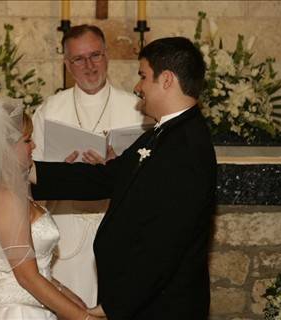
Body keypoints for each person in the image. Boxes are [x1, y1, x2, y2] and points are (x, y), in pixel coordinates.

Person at [31, 37, 217, 319]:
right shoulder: (164, 133)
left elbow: (165, 244)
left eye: (143, 76)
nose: (137, 87)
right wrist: (30, 172)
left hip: (164, 306)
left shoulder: (187, 146)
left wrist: (116, 304)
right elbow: (106, 178)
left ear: (166, 80)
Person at [0, 98, 100, 320]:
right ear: (5, 149)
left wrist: (76, 303)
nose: (33, 146)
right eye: (27, 140)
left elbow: (36, 269)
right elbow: (26, 277)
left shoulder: (15, 192)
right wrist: (84, 319)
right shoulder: (5, 198)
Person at [32, 24, 150, 307]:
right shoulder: (50, 110)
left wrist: (116, 169)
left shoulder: (138, 110)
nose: (89, 66)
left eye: (95, 55)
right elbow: (27, 176)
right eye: (78, 59)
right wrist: (60, 170)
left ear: (107, 56)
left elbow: (152, 180)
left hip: (117, 227)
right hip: (65, 233)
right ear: (66, 64)